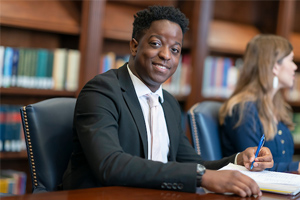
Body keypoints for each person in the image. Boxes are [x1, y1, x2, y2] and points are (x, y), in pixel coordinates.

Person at [62, 6, 273, 197]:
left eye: (175, 50)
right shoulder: (101, 91)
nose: (166, 55)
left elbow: (194, 164)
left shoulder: (170, 104)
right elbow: (110, 164)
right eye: (156, 44)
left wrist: (239, 160)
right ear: (135, 47)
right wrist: (200, 176)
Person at [219, 34, 299, 172]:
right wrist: (296, 167)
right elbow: (254, 166)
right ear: (275, 66)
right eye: (291, 60)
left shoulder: (278, 106)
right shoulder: (244, 110)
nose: (294, 67)